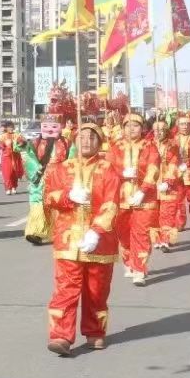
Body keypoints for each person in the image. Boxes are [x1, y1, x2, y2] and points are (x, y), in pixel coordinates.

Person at [43, 124, 121, 356]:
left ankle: (95, 332)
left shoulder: (108, 169)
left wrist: (96, 231)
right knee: (66, 289)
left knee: (96, 290)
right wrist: (68, 196)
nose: (86, 141)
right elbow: (49, 197)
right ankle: (60, 336)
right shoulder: (62, 168)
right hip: (68, 240)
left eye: (91, 137)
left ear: (100, 141)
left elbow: (112, 204)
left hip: (100, 241)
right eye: (82, 137)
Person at [108, 114, 161, 287]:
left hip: (143, 199)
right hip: (121, 198)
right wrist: (122, 174)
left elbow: (154, 169)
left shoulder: (149, 146)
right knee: (123, 235)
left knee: (141, 233)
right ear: (122, 128)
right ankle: (129, 261)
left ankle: (140, 269)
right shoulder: (116, 147)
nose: (131, 129)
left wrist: (143, 189)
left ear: (142, 128)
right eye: (127, 125)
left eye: (136, 125)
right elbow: (108, 170)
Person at [20, 114, 69, 245]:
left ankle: (58, 231)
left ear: (61, 127)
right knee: (38, 203)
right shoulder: (36, 142)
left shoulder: (67, 143)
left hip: (60, 176)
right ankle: (36, 232)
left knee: (57, 203)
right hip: (41, 175)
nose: (50, 129)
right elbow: (28, 155)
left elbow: (72, 159)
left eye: (54, 126)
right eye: (46, 126)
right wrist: (23, 145)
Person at [149, 119, 184, 252]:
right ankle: (157, 239)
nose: (159, 133)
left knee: (167, 213)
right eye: (156, 130)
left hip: (168, 185)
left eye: (162, 130)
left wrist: (168, 182)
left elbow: (173, 163)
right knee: (153, 215)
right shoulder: (148, 145)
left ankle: (166, 239)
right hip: (151, 185)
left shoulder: (172, 145)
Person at [0, 121, 24, 194]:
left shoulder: (17, 135)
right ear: (6, 128)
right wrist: (4, 144)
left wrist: (20, 143)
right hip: (6, 157)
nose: (11, 128)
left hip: (15, 156)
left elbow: (22, 143)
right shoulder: (3, 136)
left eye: (12, 127)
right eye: (9, 127)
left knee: (14, 173)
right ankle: (8, 188)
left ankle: (14, 187)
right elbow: (0, 146)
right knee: (7, 173)